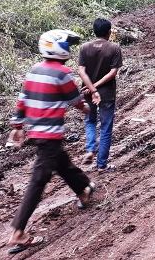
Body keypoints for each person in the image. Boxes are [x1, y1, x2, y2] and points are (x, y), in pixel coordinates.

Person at [6, 29, 96, 254]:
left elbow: (23, 99)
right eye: (66, 45)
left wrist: (17, 126)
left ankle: (84, 189)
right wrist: (85, 108)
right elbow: (74, 99)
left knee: (63, 165)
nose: (69, 49)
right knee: (38, 181)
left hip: (38, 133)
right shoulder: (62, 73)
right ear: (58, 47)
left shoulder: (34, 70)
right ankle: (18, 231)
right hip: (49, 135)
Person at [77, 18, 123, 172]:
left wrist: (91, 88)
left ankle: (90, 149)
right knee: (105, 127)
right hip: (106, 94)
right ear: (109, 32)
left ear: (94, 31)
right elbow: (113, 72)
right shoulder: (114, 48)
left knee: (90, 121)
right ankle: (102, 164)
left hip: (87, 92)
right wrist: (96, 87)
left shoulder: (84, 48)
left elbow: (81, 71)